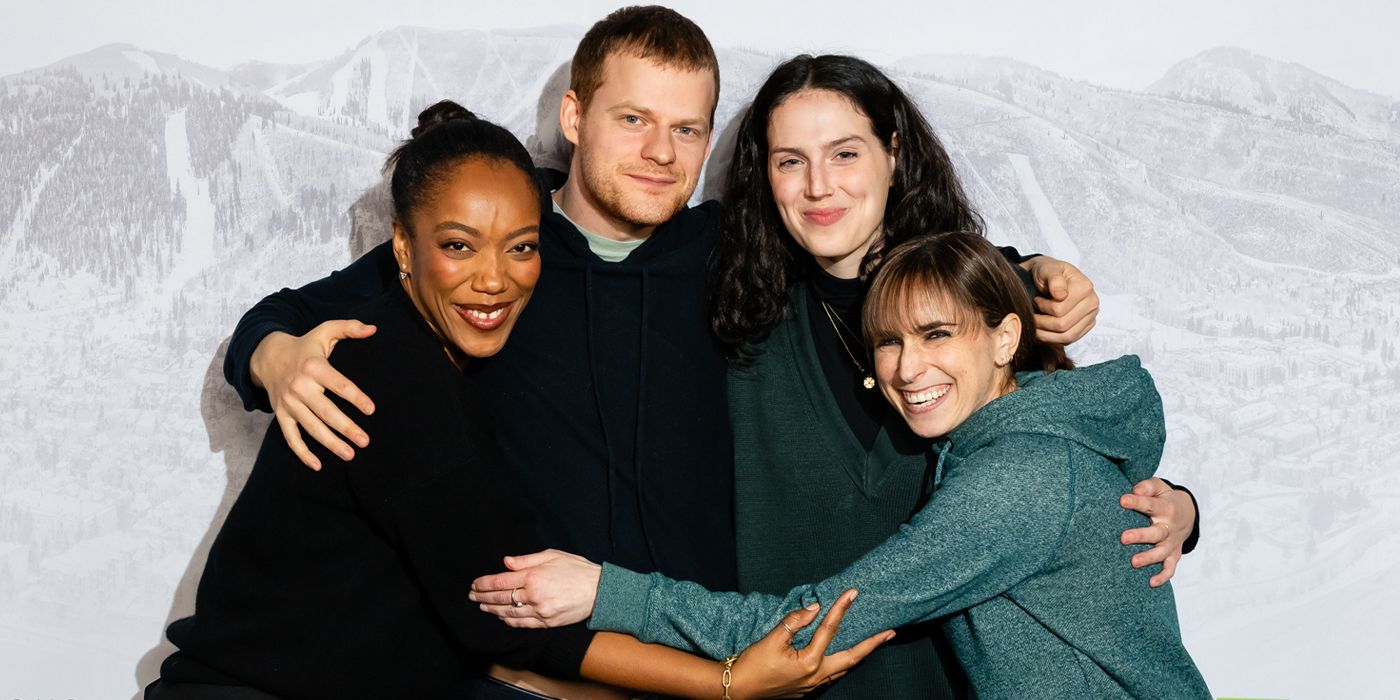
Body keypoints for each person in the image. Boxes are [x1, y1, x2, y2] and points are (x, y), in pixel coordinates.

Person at [220, 8, 1112, 697]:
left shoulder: (734, 254)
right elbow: (290, 315)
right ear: (574, 114)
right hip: (536, 677)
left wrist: (1028, 277)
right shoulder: (497, 247)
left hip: (718, 671)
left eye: (688, 130)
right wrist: (271, 355)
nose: (661, 152)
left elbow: (892, 274)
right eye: (634, 119)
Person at [473, 54, 1201, 699]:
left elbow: (1075, 445)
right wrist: (364, 309)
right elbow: (545, 220)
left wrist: (1177, 509)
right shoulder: (725, 289)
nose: (819, 185)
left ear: (893, 153)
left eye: (845, 153)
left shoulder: (983, 305)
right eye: (790, 160)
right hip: (777, 675)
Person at [147, 101, 886, 700]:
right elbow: (507, 616)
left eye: (522, 247)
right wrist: (727, 683)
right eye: (460, 247)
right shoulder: (389, 375)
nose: (494, 279)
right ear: (402, 249)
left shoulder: (448, 353)